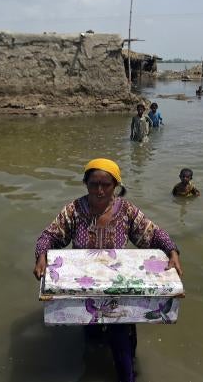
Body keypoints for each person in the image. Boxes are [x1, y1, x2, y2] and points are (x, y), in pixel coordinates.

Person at [34, 158, 182, 382]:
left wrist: (172, 251)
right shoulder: (74, 210)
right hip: (86, 286)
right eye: (94, 184)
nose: (100, 190)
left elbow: (152, 233)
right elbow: (50, 235)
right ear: (85, 184)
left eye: (106, 185)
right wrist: (42, 255)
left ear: (116, 186)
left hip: (120, 285)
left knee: (122, 339)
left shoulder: (126, 210)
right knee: (92, 337)